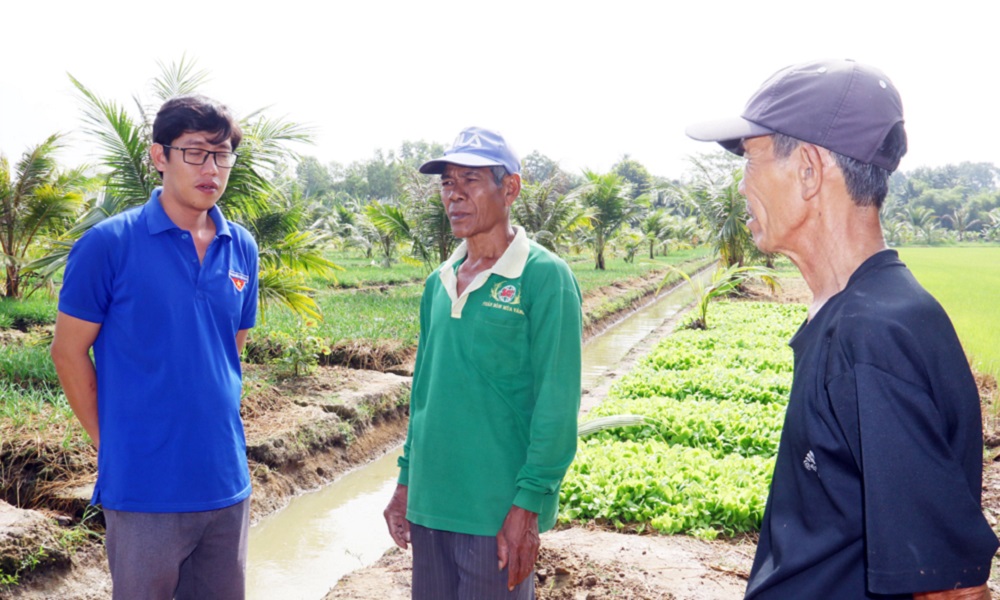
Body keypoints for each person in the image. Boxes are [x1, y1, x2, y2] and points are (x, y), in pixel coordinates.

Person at [686, 58, 998, 599]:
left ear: (809, 169)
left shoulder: (871, 336)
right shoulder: (861, 312)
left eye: (751, 162)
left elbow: (949, 587)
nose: (741, 187)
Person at [50, 95, 258, 600]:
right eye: (195, 153)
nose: (212, 168)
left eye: (222, 154)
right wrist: (111, 441)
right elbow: (67, 351)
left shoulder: (242, 247)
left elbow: (230, 349)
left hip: (225, 480)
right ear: (159, 156)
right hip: (145, 489)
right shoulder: (108, 245)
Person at [382, 126, 582, 599]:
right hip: (431, 508)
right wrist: (406, 482)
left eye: (470, 181)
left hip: (495, 512)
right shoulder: (440, 281)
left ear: (509, 187)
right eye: (447, 183)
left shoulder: (544, 278)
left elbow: (556, 405)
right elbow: (425, 393)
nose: (454, 196)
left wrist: (528, 506)